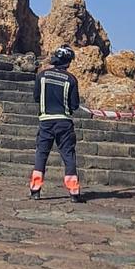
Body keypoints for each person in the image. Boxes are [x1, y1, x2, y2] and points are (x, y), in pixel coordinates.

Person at [28, 46, 84, 203]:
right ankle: (74, 191)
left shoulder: (42, 76)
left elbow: (36, 97)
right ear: (68, 62)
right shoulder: (71, 79)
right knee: (68, 155)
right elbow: (74, 105)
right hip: (64, 123)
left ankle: (35, 190)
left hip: (45, 121)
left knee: (41, 154)